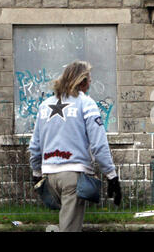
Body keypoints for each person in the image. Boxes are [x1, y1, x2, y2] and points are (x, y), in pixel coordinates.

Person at [29, 60, 121, 232]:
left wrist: (36, 172)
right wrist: (111, 175)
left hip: (49, 175)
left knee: (65, 221)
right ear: (82, 82)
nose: (90, 85)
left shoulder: (44, 106)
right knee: (70, 228)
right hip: (73, 174)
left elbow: (35, 145)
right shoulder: (86, 104)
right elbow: (99, 144)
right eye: (89, 81)